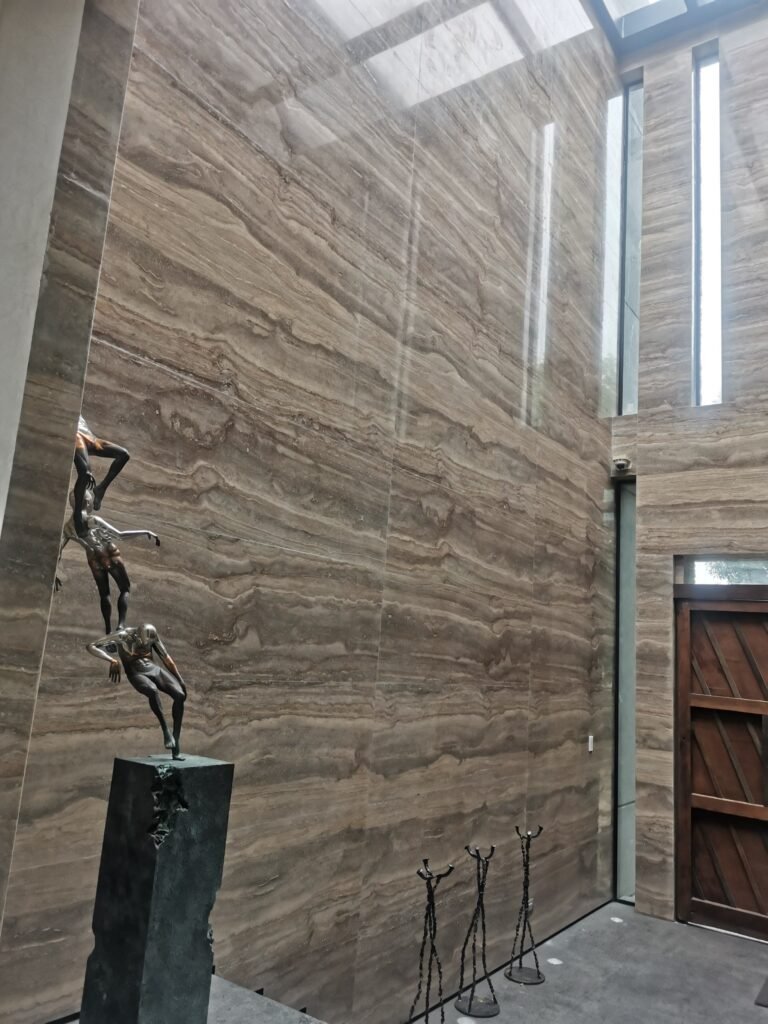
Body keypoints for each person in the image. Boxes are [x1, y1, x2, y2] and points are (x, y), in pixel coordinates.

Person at [57, 480, 159, 632]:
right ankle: (121, 624)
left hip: (93, 558)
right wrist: (145, 532)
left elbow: (58, 550)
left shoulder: (68, 527)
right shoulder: (93, 520)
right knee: (125, 589)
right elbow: (120, 535)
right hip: (109, 552)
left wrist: (56, 572)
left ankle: (107, 629)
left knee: (104, 594)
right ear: (87, 501)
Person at [87, 623, 187, 759]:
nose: (143, 645)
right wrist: (112, 660)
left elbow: (166, 659)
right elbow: (91, 646)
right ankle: (165, 730)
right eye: (141, 642)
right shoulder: (122, 636)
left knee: (180, 695)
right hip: (135, 672)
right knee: (152, 690)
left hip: (154, 669)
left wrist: (180, 679)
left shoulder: (152, 634)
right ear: (136, 635)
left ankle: (176, 745)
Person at [73, 416, 130, 537]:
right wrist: (86, 470)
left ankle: (101, 488)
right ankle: (77, 515)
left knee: (124, 454)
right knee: (85, 473)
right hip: (77, 437)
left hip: (91, 439)